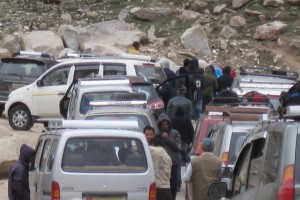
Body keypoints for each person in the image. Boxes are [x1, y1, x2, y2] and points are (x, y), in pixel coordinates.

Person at [157, 113, 181, 200]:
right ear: (160, 125)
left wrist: (167, 139)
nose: (165, 126)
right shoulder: (157, 134)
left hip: (173, 163)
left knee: (173, 185)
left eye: (167, 124)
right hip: (161, 164)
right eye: (163, 124)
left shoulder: (175, 133)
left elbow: (178, 147)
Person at [149, 135, 172, 200]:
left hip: (158, 190)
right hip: (167, 189)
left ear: (153, 143)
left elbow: (142, 147)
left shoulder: (154, 150)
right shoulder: (168, 156)